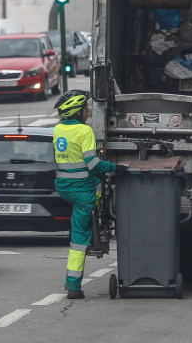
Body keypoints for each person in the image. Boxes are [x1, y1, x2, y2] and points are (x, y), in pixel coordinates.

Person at [52, 89, 128, 299]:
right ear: (78, 111)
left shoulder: (58, 130)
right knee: (79, 238)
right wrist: (116, 168)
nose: (88, 111)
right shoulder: (84, 132)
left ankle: (95, 230)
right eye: (86, 107)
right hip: (83, 192)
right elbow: (93, 165)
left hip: (65, 188)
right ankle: (73, 286)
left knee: (82, 218)